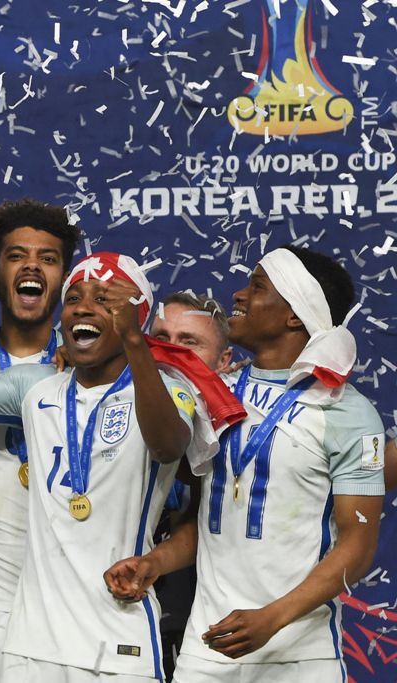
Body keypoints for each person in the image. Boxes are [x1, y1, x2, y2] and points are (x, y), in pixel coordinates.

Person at [0, 251, 232, 682]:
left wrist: (135, 343)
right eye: (74, 298)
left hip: (117, 639)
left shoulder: (169, 392)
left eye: (105, 299)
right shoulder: (38, 390)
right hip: (31, 642)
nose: (84, 308)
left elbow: (168, 446)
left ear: (137, 317)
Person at [105, 246, 386, 682]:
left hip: (299, 658)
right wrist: (154, 563)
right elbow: (206, 518)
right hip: (208, 651)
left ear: (295, 314)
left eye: (257, 287)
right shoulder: (215, 396)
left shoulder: (347, 411)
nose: (238, 294)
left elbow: (358, 545)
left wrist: (273, 617)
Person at [0, 198, 80, 683]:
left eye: (47, 259)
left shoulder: (96, 377)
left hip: (68, 616)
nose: (31, 266)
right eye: (16, 256)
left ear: (65, 278)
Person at [146, 291, 233, 680]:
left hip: (204, 636)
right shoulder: (98, 403)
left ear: (225, 363)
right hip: (111, 619)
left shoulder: (239, 430)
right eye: (161, 339)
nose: (171, 353)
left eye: (189, 342)